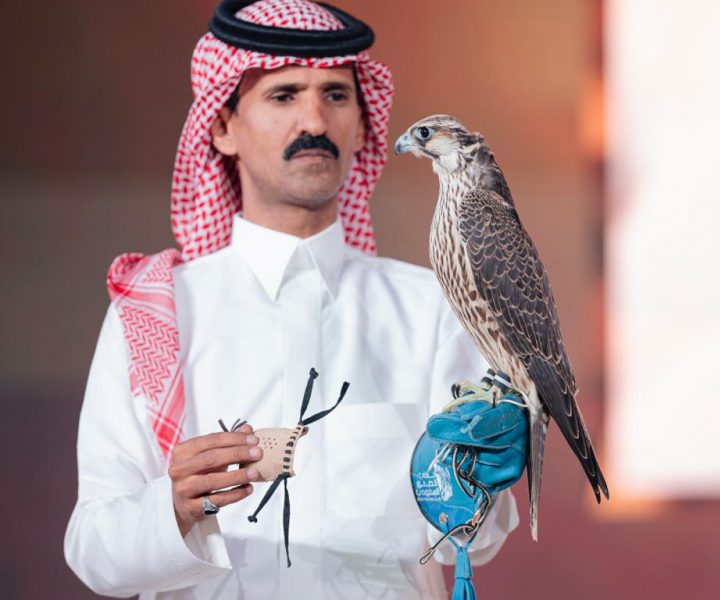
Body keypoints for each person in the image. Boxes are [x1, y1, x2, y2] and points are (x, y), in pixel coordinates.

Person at [63, 1, 518, 597]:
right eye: (283, 95)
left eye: (335, 95)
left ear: (363, 125)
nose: (315, 120)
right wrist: (171, 507)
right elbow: (95, 553)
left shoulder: (433, 307)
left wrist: (479, 477)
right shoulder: (157, 312)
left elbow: (477, 538)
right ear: (222, 127)